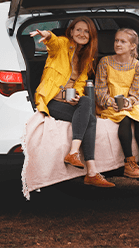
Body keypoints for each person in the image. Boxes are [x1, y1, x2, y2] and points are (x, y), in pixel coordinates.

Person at [30, 17, 115, 188]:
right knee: (90, 117)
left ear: (91, 36)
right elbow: (53, 43)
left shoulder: (86, 58)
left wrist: (76, 95)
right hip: (51, 100)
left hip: (68, 101)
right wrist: (48, 35)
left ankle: (83, 163)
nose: (82, 34)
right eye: (78, 30)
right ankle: (87, 168)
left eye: (86, 31)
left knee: (86, 106)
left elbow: (80, 83)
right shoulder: (62, 44)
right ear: (71, 31)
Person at [95, 28, 139, 180]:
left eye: (123, 41)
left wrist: (129, 101)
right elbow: (100, 90)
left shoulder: (138, 66)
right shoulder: (105, 62)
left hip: (130, 103)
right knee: (125, 119)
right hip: (110, 104)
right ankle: (129, 163)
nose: (118, 44)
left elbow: (137, 93)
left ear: (132, 46)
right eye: (116, 40)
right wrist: (110, 102)